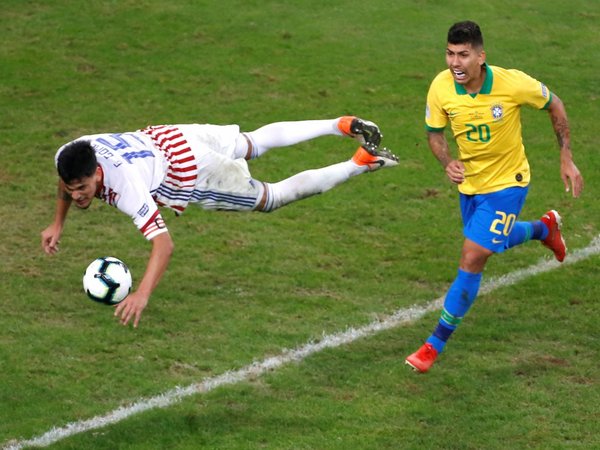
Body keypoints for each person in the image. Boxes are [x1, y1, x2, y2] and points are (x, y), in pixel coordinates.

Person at [41, 116, 398, 328]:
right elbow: (65, 179)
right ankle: (339, 124)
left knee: (270, 198)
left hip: (188, 173)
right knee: (252, 142)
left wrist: (142, 294)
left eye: (84, 188)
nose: (78, 195)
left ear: (99, 173)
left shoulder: (128, 188)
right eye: (73, 190)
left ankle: (361, 161)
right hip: (169, 136)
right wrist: (58, 223)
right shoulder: (72, 154)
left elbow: (163, 245)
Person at [405, 21, 584, 373]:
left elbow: (555, 104)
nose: (455, 63)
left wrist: (566, 157)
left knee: (474, 255)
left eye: (463, 55)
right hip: (470, 184)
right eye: (450, 54)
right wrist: (447, 162)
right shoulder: (441, 86)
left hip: (508, 182)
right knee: (491, 242)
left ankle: (433, 345)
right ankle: (543, 229)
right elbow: (434, 134)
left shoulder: (511, 83)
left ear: (481, 56)